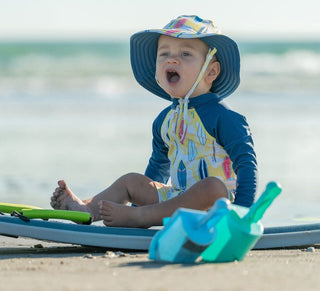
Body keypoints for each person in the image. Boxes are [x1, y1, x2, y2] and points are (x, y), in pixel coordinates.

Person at [50, 15, 258, 228]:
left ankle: (142, 218)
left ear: (211, 71)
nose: (172, 59)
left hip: (217, 208)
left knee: (213, 187)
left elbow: (247, 164)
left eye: (185, 53)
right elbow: (158, 170)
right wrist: (137, 204)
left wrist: (241, 214)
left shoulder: (224, 117)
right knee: (131, 180)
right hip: (174, 200)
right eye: (164, 53)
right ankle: (87, 210)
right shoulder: (164, 121)